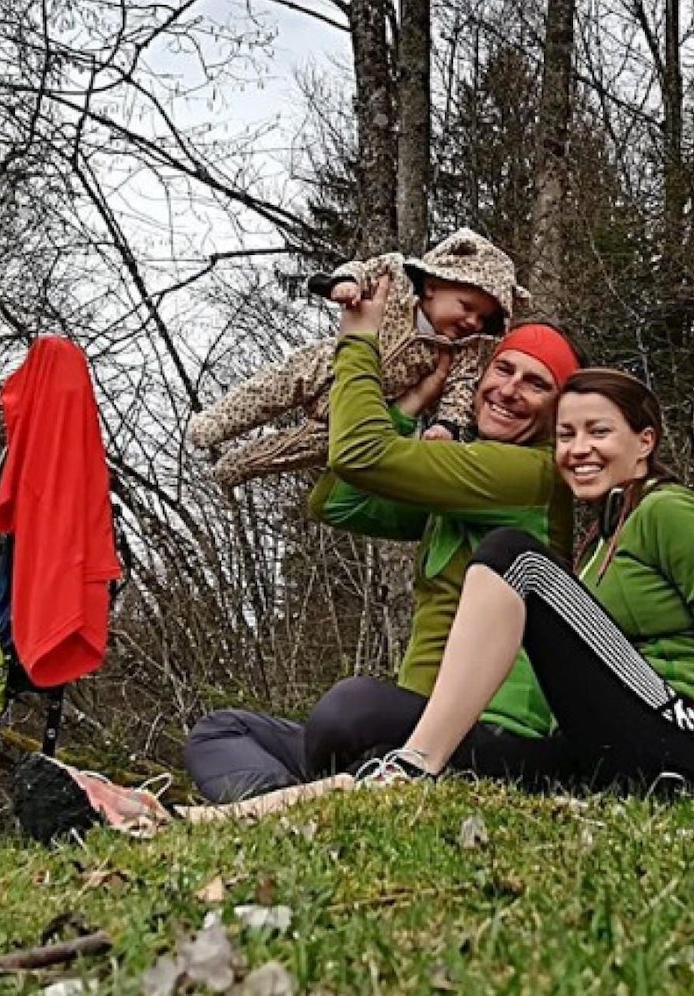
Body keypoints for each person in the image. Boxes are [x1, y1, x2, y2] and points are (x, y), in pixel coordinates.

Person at [184, 289, 587, 800]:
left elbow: (360, 453)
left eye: (536, 384)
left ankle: (324, 790)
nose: (509, 391)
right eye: (503, 370)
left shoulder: (533, 475)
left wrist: (359, 344)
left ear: (557, 413)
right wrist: (412, 405)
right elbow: (338, 502)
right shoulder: (470, 479)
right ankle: (284, 800)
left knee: (350, 710)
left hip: (496, 732)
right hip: (411, 724)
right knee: (222, 729)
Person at [355, 368, 694, 791]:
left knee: (511, 553)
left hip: (688, 736)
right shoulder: (597, 540)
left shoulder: (669, 511)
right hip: (606, 748)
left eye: (599, 431)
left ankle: (416, 763)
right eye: (566, 435)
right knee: (422, 750)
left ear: (645, 442)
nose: (578, 449)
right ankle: (321, 790)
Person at [187, 229, 530, 487]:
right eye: (467, 308)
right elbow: (364, 269)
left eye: (483, 319)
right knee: (271, 387)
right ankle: (212, 426)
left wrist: (447, 425)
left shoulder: (460, 352)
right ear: (433, 285)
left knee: (300, 449)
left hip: (365, 404)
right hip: (328, 364)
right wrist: (346, 283)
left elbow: (460, 390)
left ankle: (233, 469)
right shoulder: (396, 280)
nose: (472, 322)